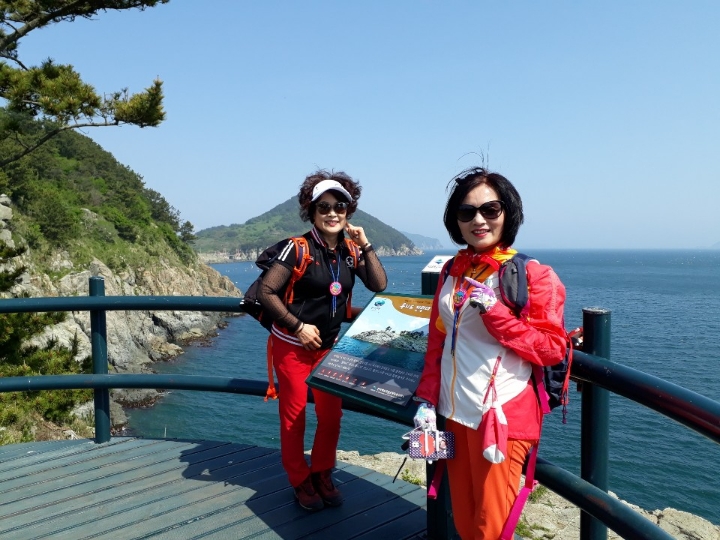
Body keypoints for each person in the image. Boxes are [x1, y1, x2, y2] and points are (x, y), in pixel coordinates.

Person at [413, 167, 567, 539]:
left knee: (491, 527)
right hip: (453, 414)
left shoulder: (533, 275)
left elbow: (551, 348)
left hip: (499, 418)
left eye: (490, 209)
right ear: (456, 220)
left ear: (507, 213)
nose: (478, 220)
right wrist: (427, 401)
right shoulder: (452, 271)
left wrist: (495, 313)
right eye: (467, 212)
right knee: (464, 519)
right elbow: (438, 341)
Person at [257, 170, 388, 512]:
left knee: (331, 417)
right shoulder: (297, 248)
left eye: (339, 207)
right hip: (292, 347)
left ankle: (322, 472)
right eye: (324, 207)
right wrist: (298, 326)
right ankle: (299, 479)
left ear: (348, 211)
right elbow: (267, 292)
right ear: (312, 211)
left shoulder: (349, 250)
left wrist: (365, 244)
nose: (332, 213)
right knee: (294, 417)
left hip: (329, 348)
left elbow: (379, 285)